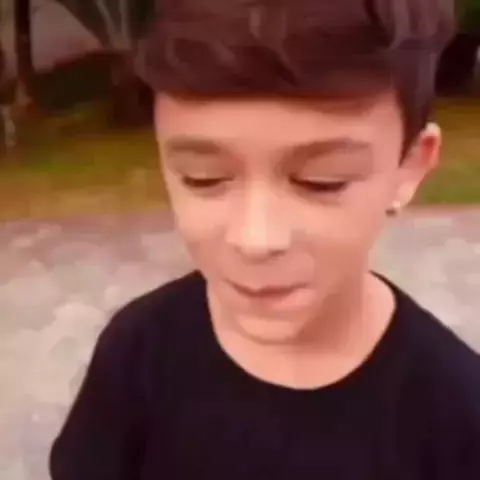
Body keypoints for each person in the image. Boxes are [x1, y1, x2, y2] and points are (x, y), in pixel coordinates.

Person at [49, 0, 480, 478]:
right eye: (203, 178)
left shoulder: (459, 417)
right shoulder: (138, 352)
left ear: (410, 166)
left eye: (322, 181)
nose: (256, 239)